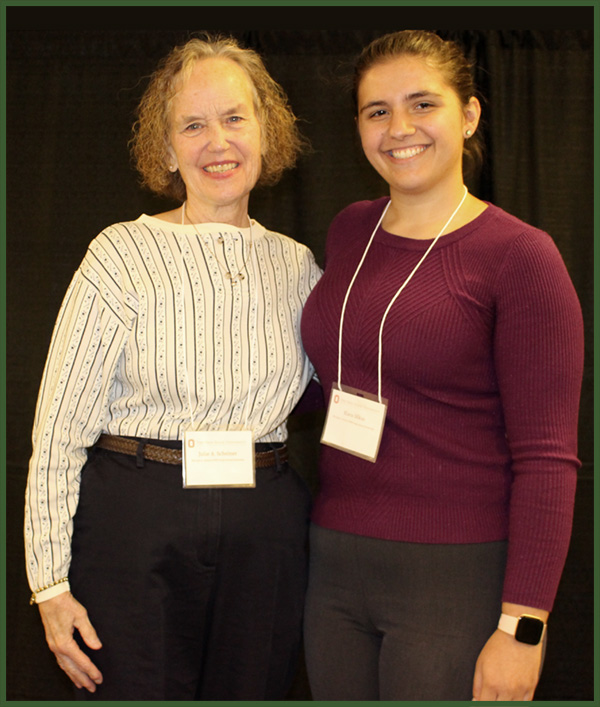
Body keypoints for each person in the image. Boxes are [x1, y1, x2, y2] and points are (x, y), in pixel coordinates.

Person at [24, 34, 321, 701]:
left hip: (264, 528)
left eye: (234, 118)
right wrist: (49, 584)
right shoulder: (120, 255)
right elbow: (59, 431)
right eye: (193, 124)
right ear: (165, 149)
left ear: (267, 132)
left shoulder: (301, 268)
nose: (217, 141)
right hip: (136, 525)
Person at [301, 30, 584, 702]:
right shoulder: (349, 229)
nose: (400, 129)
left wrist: (523, 627)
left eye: (422, 104)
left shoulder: (522, 257)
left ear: (470, 114)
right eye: (377, 111)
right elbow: (332, 384)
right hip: (333, 564)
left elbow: (547, 457)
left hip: (453, 577)